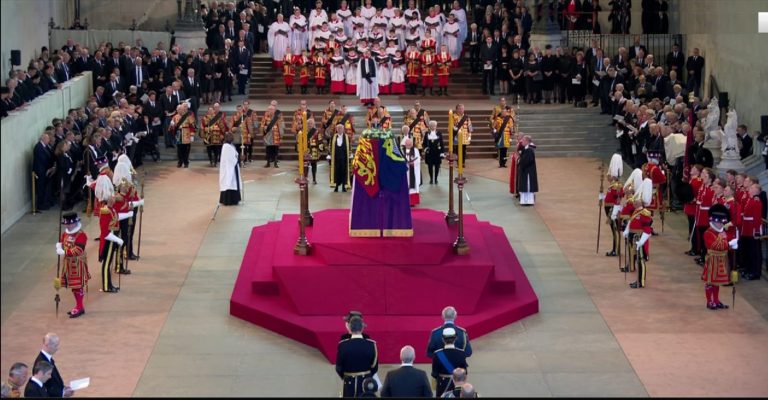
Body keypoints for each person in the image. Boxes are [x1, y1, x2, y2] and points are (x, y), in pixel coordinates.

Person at [701, 204, 737, 309]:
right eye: (718, 222)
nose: (720, 224)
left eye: (722, 222)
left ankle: (716, 300)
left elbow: (725, 244)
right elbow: (715, 245)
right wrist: (730, 244)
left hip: (722, 259)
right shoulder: (708, 232)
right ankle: (709, 301)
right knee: (710, 282)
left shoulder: (722, 232)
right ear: (713, 221)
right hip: (712, 260)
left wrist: (733, 246)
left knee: (717, 283)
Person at [55, 212, 91, 318]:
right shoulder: (65, 234)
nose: (68, 226)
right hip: (68, 264)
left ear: (75, 223)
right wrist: (59, 246)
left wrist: (64, 252)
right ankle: (79, 306)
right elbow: (63, 242)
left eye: (70, 224)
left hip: (77, 265)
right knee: (73, 286)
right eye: (66, 224)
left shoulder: (81, 235)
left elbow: (79, 250)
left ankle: (79, 307)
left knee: (77, 286)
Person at [335, 316, 379, 398]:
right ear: (362, 328)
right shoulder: (371, 345)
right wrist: (367, 376)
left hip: (349, 383)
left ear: (349, 328)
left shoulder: (343, 345)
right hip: (366, 383)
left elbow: (338, 368)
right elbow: (374, 367)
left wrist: (346, 377)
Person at [623, 181, 653, 289]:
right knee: (637, 260)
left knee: (641, 260)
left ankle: (641, 281)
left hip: (640, 238)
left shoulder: (645, 213)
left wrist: (641, 241)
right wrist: (627, 231)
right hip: (634, 237)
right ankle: (638, 280)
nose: (634, 201)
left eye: (637, 200)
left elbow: (648, 229)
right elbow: (631, 222)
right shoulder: (636, 211)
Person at [431, 328, 469, 398]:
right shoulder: (461, 353)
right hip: (458, 385)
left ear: (443, 339)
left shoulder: (437, 354)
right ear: (455, 338)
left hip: (442, 385)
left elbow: (434, 374)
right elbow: (465, 373)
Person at [34, 333, 74, 397]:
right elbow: (43, 387)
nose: (57, 348)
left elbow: (54, 380)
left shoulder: (48, 358)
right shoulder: (41, 362)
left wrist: (63, 388)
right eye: (55, 346)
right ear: (47, 345)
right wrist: (62, 393)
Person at [739, 183, 763, 280]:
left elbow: (757, 218)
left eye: (752, 187)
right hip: (746, 228)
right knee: (748, 251)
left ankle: (755, 272)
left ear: (757, 191)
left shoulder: (756, 201)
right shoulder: (750, 199)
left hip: (752, 229)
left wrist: (756, 231)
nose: (750, 189)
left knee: (754, 252)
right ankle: (749, 269)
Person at [604, 153, 624, 257]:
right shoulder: (613, 185)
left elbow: (618, 198)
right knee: (613, 230)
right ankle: (615, 249)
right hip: (610, 208)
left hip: (612, 210)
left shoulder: (617, 186)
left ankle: (615, 250)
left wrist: (613, 212)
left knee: (615, 230)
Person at [169, 102, 196, 168]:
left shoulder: (188, 116)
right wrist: (172, 125)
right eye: (179, 109)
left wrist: (192, 134)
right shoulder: (175, 117)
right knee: (179, 149)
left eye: (181, 109)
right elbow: (170, 128)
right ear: (177, 110)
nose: (180, 110)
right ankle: (180, 162)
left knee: (186, 149)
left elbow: (193, 126)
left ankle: (186, 162)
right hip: (178, 134)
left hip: (186, 133)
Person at [219, 133, 242, 206]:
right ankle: (229, 200)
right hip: (229, 168)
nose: (232, 137)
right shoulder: (226, 147)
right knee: (229, 183)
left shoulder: (231, 146)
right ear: (226, 138)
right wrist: (239, 158)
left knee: (232, 182)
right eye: (229, 136)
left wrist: (238, 157)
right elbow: (230, 159)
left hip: (232, 167)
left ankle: (234, 199)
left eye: (232, 136)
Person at [329, 124, 351, 192]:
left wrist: (350, 154)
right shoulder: (333, 137)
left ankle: (344, 186)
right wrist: (329, 154)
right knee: (336, 172)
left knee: (344, 172)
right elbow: (330, 146)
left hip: (344, 158)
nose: (340, 130)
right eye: (338, 128)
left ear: (343, 129)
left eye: (341, 128)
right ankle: (336, 186)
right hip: (336, 158)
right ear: (336, 129)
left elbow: (349, 146)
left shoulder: (347, 137)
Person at [517, 135, 538, 206]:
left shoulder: (529, 150)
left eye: (523, 140)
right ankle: (525, 201)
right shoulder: (525, 149)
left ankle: (528, 201)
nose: (521, 142)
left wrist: (520, 161)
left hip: (528, 171)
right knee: (525, 186)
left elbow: (527, 161)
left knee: (527, 186)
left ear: (527, 141)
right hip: (525, 171)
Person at [423, 120, 445, 185]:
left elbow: (442, 143)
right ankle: (431, 179)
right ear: (429, 126)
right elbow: (424, 143)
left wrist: (442, 152)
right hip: (429, 153)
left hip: (437, 152)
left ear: (436, 126)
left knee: (437, 166)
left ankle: (435, 179)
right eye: (431, 126)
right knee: (430, 167)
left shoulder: (439, 133)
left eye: (434, 126)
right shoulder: (427, 133)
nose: (433, 127)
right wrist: (426, 148)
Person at [305, 119, 324, 184]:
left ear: (313, 124)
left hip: (314, 151)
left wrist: (320, 150)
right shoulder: (304, 131)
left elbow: (320, 141)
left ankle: (314, 179)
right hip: (306, 151)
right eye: (308, 123)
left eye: (311, 123)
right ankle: (306, 178)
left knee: (314, 166)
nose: (310, 125)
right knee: (306, 166)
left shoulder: (317, 132)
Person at [404, 138, 421, 207]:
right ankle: (404, 200)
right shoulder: (402, 150)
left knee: (412, 186)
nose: (408, 145)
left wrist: (414, 163)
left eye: (410, 144)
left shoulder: (415, 150)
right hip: (404, 171)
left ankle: (412, 202)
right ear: (405, 144)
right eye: (407, 144)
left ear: (412, 144)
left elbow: (418, 159)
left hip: (412, 171)